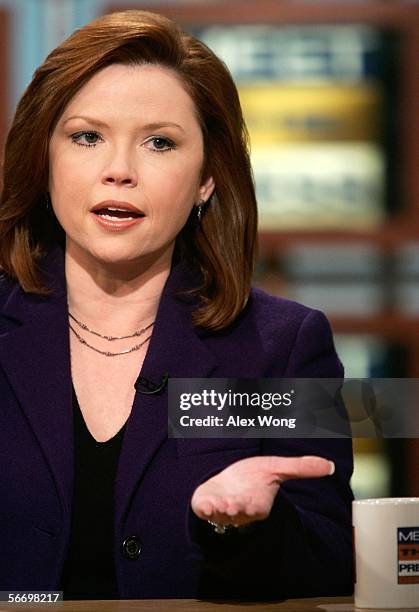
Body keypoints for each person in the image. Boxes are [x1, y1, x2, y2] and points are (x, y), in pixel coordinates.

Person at [0, 9, 353, 601]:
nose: (119, 171)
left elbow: (334, 564)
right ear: (45, 157)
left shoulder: (285, 344)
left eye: (159, 143)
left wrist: (238, 529)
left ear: (206, 179)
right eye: (87, 137)